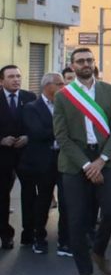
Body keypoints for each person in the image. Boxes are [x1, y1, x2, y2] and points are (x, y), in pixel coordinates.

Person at [53, 48, 111, 275]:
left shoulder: (108, 90)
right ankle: (84, 274)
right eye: (80, 61)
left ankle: (99, 252)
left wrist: (101, 161)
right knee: (77, 220)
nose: (85, 64)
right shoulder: (63, 96)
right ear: (72, 66)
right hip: (75, 163)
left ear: (94, 64)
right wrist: (86, 165)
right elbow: (61, 136)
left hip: (104, 159)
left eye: (89, 60)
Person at [18, 72, 65, 254]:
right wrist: (61, 129)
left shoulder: (64, 106)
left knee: (67, 201)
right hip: (43, 161)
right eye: (59, 84)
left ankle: (65, 239)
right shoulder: (32, 107)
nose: (63, 87)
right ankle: (39, 236)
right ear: (48, 86)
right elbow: (37, 133)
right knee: (43, 200)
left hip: (63, 158)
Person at [0, 64, 36, 249]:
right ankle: (5, 234)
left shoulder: (30, 98)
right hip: (3, 156)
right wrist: (1, 140)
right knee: (2, 196)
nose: (16, 80)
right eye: (11, 76)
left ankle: (29, 233)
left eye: (18, 76)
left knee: (29, 193)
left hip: (26, 154)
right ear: (1, 81)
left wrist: (28, 137)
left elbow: (39, 123)